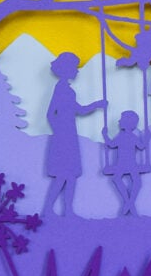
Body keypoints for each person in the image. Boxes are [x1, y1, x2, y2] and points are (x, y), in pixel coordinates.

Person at [42, 52, 105, 218]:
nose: (77, 71)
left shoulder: (66, 89)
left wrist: (97, 104)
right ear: (67, 69)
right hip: (64, 136)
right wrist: (60, 132)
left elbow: (79, 110)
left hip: (69, 134)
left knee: (70, 176)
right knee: (63, 175)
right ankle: (49, 209)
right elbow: (50, 113)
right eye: (75, 68)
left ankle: (68, 210)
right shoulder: (61, 88)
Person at [102, 110, 149, 217]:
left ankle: (128, 203)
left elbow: (111, 144)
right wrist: (104, 135)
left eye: (121, 119)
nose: (119, 121)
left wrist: (105, 135)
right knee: (121, 179)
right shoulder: (127, 136)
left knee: (129, 180)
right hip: (125, 164)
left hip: (126, 164)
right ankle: (129, 203)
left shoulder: (125, 136)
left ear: (127, 123)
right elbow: (141, 146)